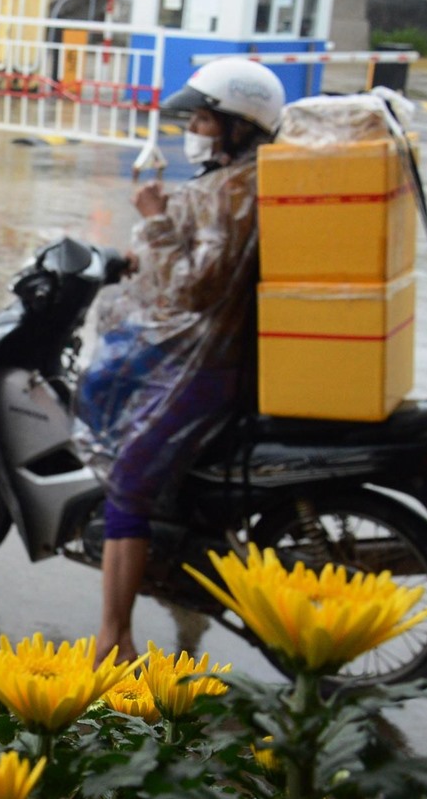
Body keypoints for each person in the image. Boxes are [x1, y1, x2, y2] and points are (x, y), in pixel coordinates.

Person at [74, 57, 287, 661]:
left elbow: (196, 289)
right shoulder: (242, 182)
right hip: (214, 353)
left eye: (203, 118)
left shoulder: (231, 191)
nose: (193, 128)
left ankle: (113, 636)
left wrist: (156, 221)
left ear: (238, 125)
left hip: (206, 366)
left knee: (127, 478)